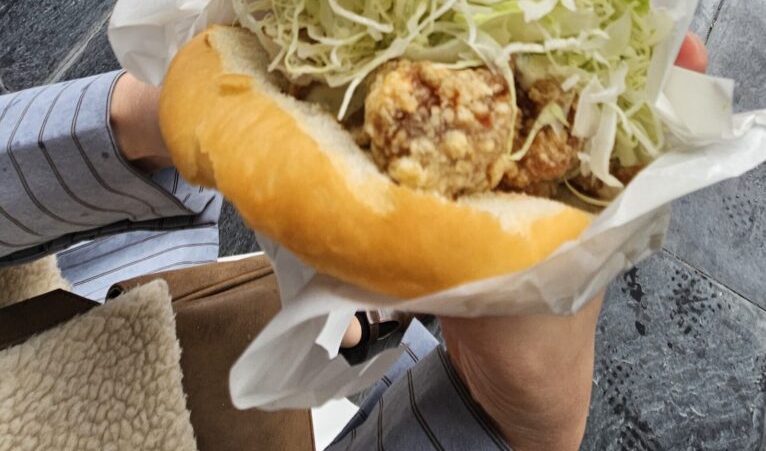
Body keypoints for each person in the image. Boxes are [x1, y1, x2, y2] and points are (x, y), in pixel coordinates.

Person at [0, 34, 708, 450]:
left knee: (325, 316)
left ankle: (358, 323)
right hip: (168, 409)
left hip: (89, 284)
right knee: (354, 346)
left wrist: (139, 125)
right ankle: (369, 333)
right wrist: (504, 422)